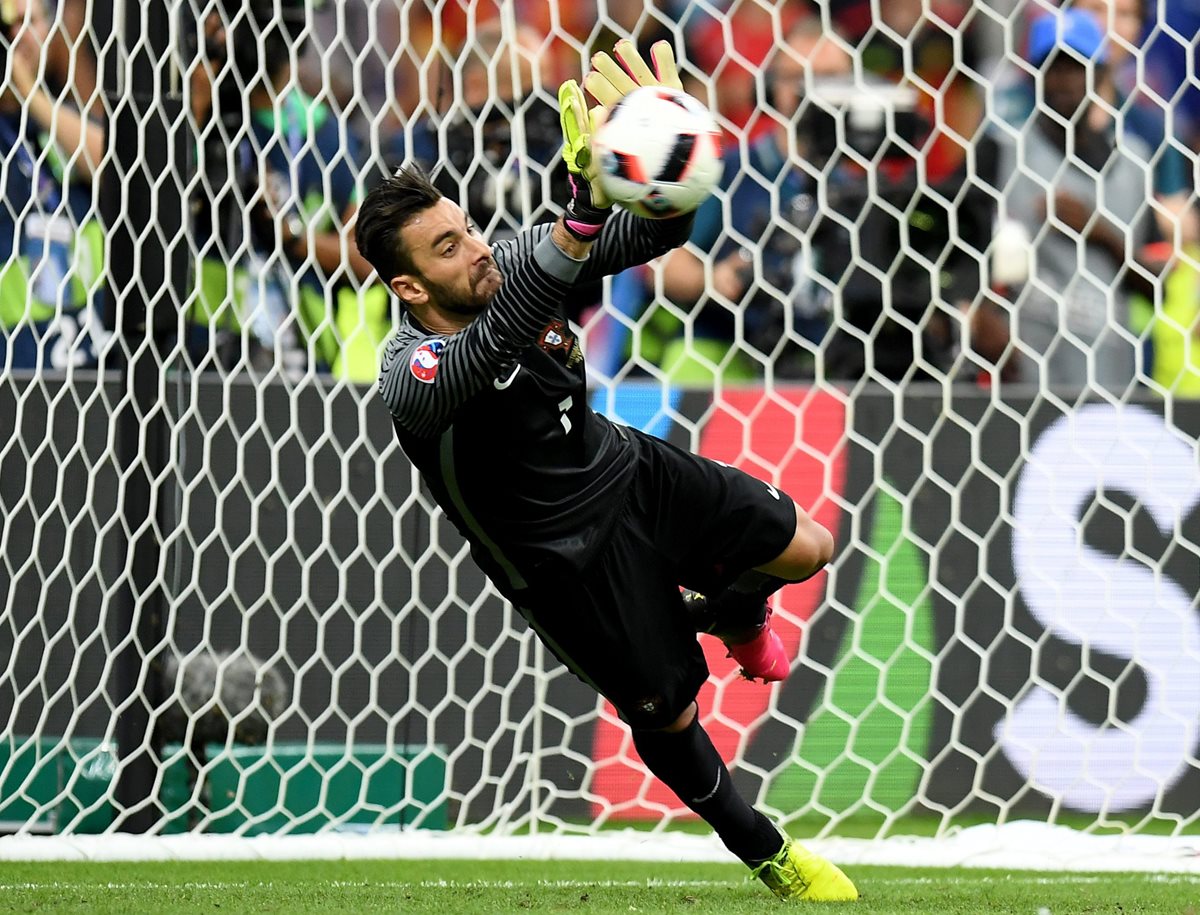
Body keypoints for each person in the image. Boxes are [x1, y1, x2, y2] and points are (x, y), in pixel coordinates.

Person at [354, 39, 858, 903]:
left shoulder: (507, 263)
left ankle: (724, 613)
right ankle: (770, 853)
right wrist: (577, 217)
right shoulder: (411, 373)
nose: (476, 248)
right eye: (447, 246)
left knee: (808, 548)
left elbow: (661, 230)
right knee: (668, 715)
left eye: (469, 227)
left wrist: (669, 156)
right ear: (409, 287)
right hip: (562, 562)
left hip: (625, 470)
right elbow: (495, 343)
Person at [991, 8, 1157, 394]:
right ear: (1034, 76)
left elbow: (1156, 287)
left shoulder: (1134, 162)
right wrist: (976, 312)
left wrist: (1101, 234)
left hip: (1112, 374)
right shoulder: (1002, 151)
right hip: (1025, 378)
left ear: (1101, 75)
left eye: (1075, 68)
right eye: (1051, 68)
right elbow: (960, 241)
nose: (1063, 81)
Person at [1, 0, 106, 370]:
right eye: (9, 26)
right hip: (21, 376)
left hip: (95, 365)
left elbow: (113, 168)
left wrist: (31, 95)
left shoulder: (57, 117)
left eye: (31, 22)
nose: (20, 36)